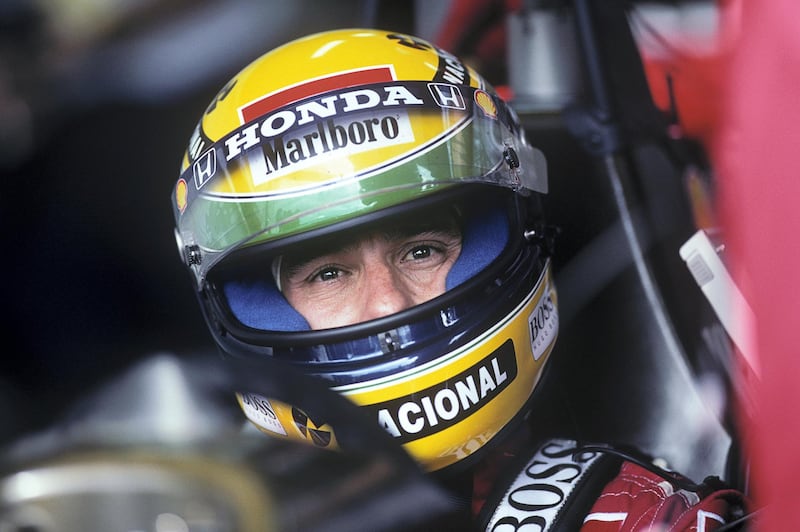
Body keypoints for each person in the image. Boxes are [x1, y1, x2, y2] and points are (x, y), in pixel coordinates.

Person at [172, 28, 746, 530]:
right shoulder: (186, 509)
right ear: (254, 306)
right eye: (328, 274)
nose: (386, 304)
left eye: (422, 251)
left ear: (507, 238)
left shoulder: (637, 520)